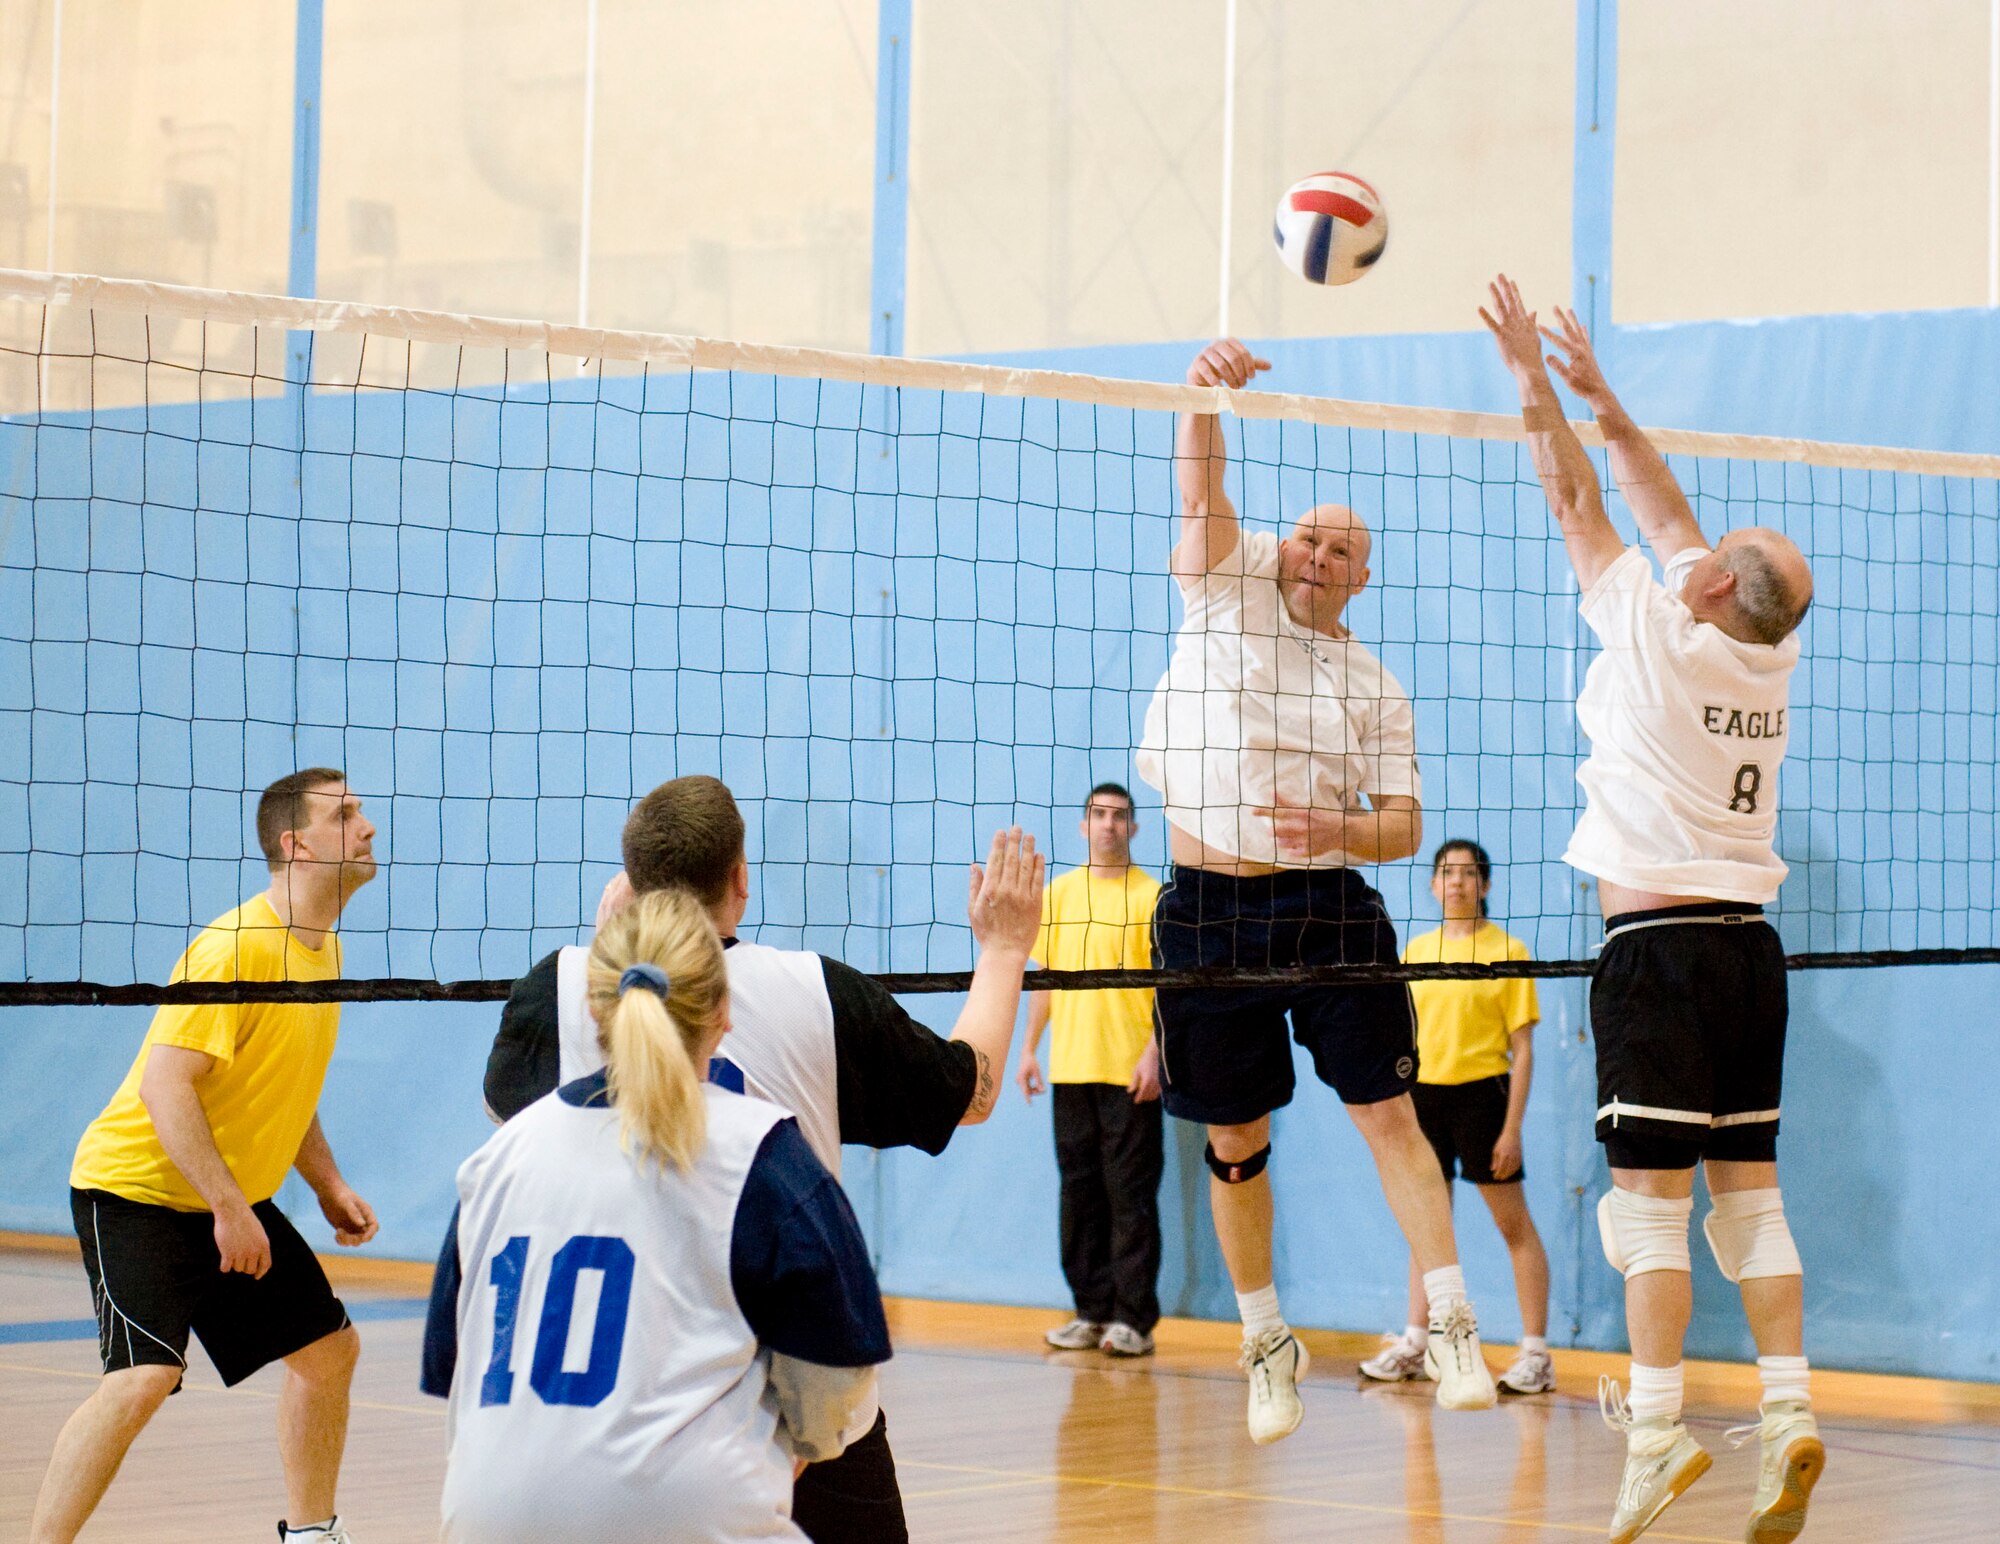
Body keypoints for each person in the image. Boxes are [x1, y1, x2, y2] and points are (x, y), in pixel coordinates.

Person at [482, 774, 1044, 1544]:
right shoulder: (817, 996)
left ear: (631, 882)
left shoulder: (559, 988)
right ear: (741, 880)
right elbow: (970, 1092)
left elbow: (514, 1118)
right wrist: (1006, 948)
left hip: (601, 1408)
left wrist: (604, 958)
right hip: (780, 1399)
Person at [1483, 274, 1821, 1544]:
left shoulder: (1648, 624)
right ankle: (1786, 1410)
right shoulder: (1763, 649)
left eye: (1716, 550)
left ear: (1710, 587)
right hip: (1750, 953)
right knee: (1751, 1200)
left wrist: (1533, 380)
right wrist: (1607, 398)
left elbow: (1578, 498)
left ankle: (1659, 1431)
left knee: (1646, 1209)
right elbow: (1660, 505)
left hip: (1659, 950)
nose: (1700, 541)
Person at [1133, 337, 1498, 1445]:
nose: (1319, 553)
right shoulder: (1222, 583)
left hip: (1328, 899)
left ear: (1359, 576)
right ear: (1279, 545)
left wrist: (1333, 827)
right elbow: (1199, 482)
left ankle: (1449, 1321)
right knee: (1233, 1141)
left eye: (1342, 548)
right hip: (1206, 906)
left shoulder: (1376, 685)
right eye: (1309, 534)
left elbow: (1404, 827)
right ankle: (1263, 1338)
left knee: (1389, 1112)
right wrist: (1203, 396)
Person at [423, 889, 890, 1543]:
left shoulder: (496, 1161)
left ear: (593, 1009)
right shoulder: (764, 1154)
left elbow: (454, 1368)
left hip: (479, 1519)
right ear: (724, 1012)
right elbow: (832, 1404)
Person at [31, 769, 382, 1544]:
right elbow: (167, 1087)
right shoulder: (236, 947)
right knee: (143, 1379)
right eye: (345, 815)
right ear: (296, 845)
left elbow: (278, 1084)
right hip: (137, 1192)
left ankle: (313, 1534)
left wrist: (325, 1183)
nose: (367, 828)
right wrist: (231, 1208)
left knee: (329, 1354)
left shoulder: (321, 949)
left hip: (220, 1198)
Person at [1360, 839, 1554, 1397]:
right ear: (1433, 885)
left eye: (1469, 874)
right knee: (1426, 1224)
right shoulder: (1418, 950)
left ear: (1485, 886)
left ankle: (1536, 1354)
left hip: (1484, 1099)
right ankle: (1416, 1343)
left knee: (1512, 1225)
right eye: (1447, 873)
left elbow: (1524, 1051)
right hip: (1423, 1100)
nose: (1458, 883)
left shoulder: (1508, 949)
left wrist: (1512, 1128)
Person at [1016, 781, 1165, 1358]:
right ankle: (1090, 1311)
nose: (1108, 825)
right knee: (1079, 1194)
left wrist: (1154, 1053)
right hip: (1071, 1067)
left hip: (1130, 1068)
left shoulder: (1154, 897)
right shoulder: (1058, 895)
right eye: (1098, 815)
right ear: (1083, 826)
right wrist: (1030, 1048)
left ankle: (1133, 1319)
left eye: (1119, 816)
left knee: (1130, 1195)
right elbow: (1045, 979)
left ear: (1133, 827)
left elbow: (1168, 992)